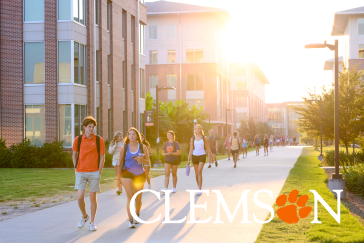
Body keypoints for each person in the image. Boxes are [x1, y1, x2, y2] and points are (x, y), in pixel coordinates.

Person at [72, 116, 105, 231]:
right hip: (80, 171)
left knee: (92, 197)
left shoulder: (98, 140)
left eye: (93, 127)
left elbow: (102, 156)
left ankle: (92, 222)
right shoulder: (78, 139)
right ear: (84, 127)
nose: (91, 129)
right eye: (89, 127)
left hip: (94, 172)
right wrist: (76, 167)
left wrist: (99, 171)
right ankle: (85, 216)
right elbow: (74, 154)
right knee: (80, 197)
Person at [119, 127, 149, 228]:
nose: (131, 136)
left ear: (137, 136)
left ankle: (137, 214)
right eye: (129, 134)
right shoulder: (125, 147)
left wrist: (141, 159)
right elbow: (120, 164)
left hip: (140, 173)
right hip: (127, 172)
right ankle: (131, 219)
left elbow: (148, 162)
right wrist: (118, 178)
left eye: (133, 134)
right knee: (130, 196)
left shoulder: (142, 147)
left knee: (138, 197)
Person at [187, 124, 213, 195]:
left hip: (202, 155)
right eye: (196, 129)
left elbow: (207, 147)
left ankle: (200, 188)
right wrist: (188, 159)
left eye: (199, 129)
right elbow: (191, 149)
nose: (197, 130)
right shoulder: (193, 138)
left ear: (201, 130)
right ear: (195, 130)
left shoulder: (204, 138)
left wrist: (211, 157)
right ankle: (198, 186)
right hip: (195, 156)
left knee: (199, 171)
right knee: (196, 173)